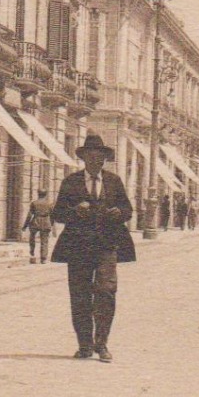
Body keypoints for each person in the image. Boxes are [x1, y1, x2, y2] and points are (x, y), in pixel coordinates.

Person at [51, 133, 136, 363]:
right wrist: (75, 210)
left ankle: (102, 344)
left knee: (107, 293)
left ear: (105, 160)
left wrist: (120, 213)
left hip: (107, 246)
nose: (97, 160)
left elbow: (128, 209)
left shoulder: (114, 181)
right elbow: (58, 214)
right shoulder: (71, 183)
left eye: (101, 157)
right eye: (92, 156)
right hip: (78, 247)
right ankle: (85, 345)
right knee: (80, 296)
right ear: (84, 158)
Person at [22, 190, 55, 264]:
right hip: (46, 222)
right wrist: (51, 224)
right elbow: (53, 216)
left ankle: (32, 254)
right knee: (44, 241)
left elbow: (29, 215)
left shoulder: (34, 203)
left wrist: (25, 226)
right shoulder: (50, 204)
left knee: (32, 239)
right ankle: (43, 259)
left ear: (38, 194)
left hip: (35, 222)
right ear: (46, 194)